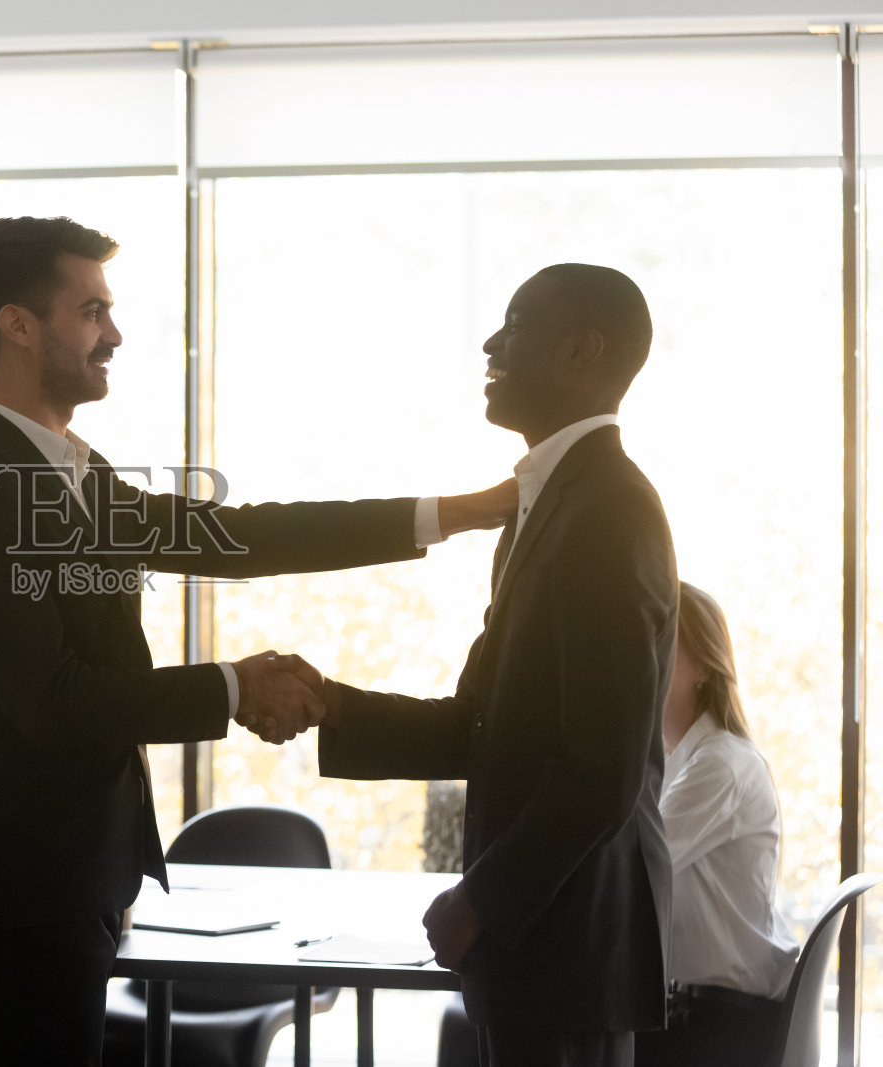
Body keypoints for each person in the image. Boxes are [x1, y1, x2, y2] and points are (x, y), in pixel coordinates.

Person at [0, 215, 517, 1064]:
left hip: (76, 876)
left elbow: (241, 536)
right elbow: (53, 703)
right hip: (23, 888)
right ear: (17, 324)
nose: (114, 334)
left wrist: (458, 513)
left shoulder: (77, 473)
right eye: (91, 312)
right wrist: (234, 687)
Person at [295, 264, 677, 1067]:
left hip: (566, 945)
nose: (490, 342)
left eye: (514, 322)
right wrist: (334, 706)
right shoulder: (547, 506)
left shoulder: (609, 508)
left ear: (582, 350)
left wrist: (482, 899)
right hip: (541, 949)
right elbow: (484, 722)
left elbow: (603, 765)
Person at [634, 582, 798, 1067]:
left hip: (721, 1030)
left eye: (664, 637)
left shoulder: (719, 764)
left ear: (704, 667)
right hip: (701, 1015)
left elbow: (633, 863)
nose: (645, 651)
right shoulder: (682, 763)